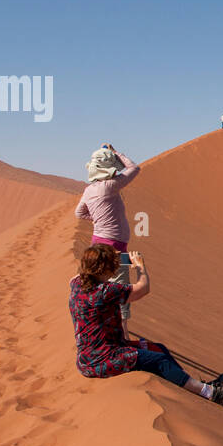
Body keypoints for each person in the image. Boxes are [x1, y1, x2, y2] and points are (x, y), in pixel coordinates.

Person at [69, 245, 223, 402]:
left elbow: (78, 276)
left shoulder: (77, 284)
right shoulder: (106, 291)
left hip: (95, 354)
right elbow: (143, 288)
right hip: (102, 360)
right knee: (158, 360)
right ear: (103, 268)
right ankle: (209, 392)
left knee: (158, 349)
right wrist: (140, 266)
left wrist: (106, 258)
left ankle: (194, 385)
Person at [75, 143, 140, 336]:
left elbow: (79, 213)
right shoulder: (110, 186)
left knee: (99, 285)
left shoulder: (89, 190)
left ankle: (97, 325)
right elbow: (134, 169)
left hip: (97, 244)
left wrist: (98, 219)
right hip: (114, 248)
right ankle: (123, 335)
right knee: (121, 289)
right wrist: (116, 152)